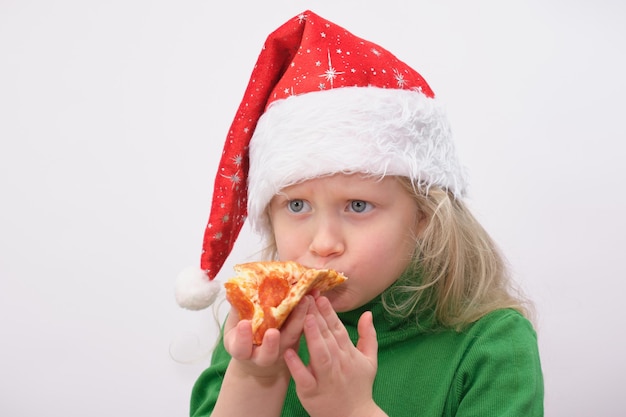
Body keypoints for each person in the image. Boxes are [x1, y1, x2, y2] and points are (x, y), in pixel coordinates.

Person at [175, 10, 544, 417]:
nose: (324, 243)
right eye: (296, 205)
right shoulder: (258, 328)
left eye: (358, 206)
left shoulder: (491, 343)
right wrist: (255, 378)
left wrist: (353, 411)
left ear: (425, 217)